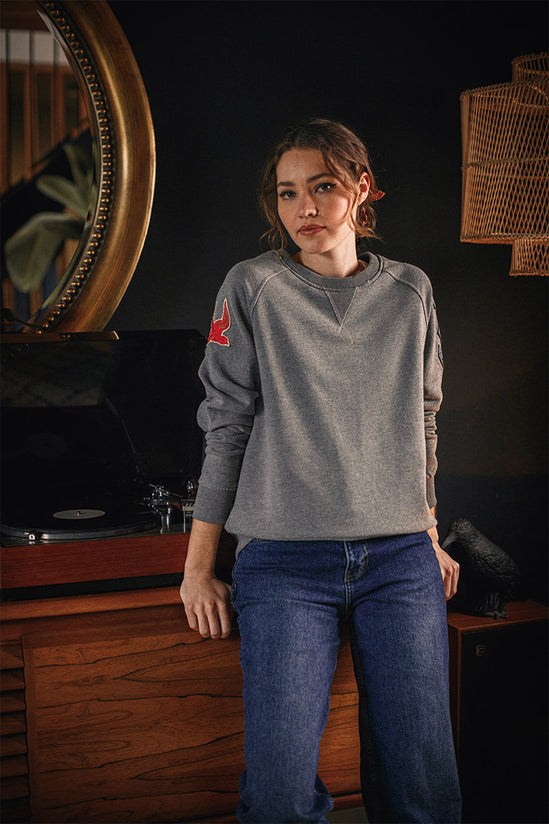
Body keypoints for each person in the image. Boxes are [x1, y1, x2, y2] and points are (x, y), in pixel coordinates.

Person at [180, 118, 462, 824]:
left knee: (422, 788)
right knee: (278, 796)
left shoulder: (411, 291)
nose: (304, 207)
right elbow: (225, 426)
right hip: (283, 564)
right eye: (287, 193)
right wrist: (198, 569)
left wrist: (427, 532)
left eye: (323, 187)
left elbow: (422, 420)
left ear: (361, 190)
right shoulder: (252, 286)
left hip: (399, 560)